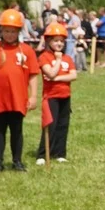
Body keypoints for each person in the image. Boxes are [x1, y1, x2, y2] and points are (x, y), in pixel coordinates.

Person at [0, 9, 39, 172]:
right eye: (6, 31)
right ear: (1, 30)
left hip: (18, 98)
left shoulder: (27, 51)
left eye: (13, 31)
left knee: (17, 130)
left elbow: (33, 74)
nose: (10, 34)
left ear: (19, 31)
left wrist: (33, 96)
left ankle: (17, 161)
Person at [35, 22, 77, 165]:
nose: (59, 44)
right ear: (48, 41)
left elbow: (73, 75)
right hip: (51, 96)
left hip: (65, 96)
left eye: (61, 41)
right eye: (56, 41)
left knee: (62, 125)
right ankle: (42, 154)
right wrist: (57, 60)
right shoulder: (44, 57)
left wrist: (57, 78)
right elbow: (50, 72)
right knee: (50, 125)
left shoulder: (68, 58)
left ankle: (60, 153)